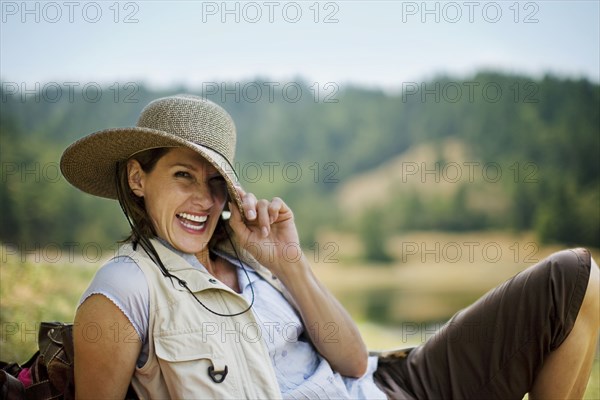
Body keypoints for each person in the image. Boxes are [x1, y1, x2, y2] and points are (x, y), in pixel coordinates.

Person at [60, 94, 599, 399]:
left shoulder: (246, 258)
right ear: (137, 178)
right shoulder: (126, 288)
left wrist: (289, 264)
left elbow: (351, 360)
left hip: (392, 386)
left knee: (578, 282)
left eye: (215, 180)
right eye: (182, 175)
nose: (202, 199)